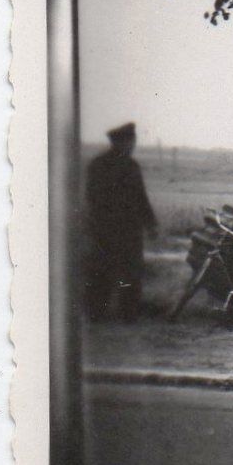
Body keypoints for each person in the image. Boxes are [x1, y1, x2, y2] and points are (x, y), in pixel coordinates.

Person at [84, 122, 157, 321]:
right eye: (128, 142)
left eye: (132, 142)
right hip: (105, 229)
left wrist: (150, 224)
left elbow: (141, 198)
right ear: (117, 142)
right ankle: (97, 313)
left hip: (129, 230)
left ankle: (128, 313)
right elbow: (93, 198)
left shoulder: (132, 166)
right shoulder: (98, 165)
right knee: (102, 271)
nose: (132, 145)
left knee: (131, 272)